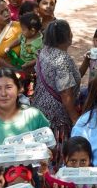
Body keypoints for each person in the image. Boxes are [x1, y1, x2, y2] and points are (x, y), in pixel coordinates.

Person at [31, 20, 81, 149]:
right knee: (57, 152)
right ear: (68, 37)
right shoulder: (62, 59)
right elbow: (66, 93)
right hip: (58, 118)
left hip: (40, 110)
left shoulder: (44, 51)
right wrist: (75, 119)